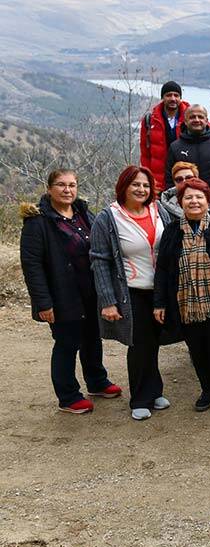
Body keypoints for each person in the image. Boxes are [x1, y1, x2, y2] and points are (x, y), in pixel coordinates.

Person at [21, 169, 121, 414]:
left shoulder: (83, 213)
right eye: (61, 185)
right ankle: (68, 396)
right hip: (62, 295)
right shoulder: (38, 222)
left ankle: (97, 381)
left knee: (92, 338)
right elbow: (32, 266)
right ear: (49, 189)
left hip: (90, 291)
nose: (68, 190)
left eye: (72, 185)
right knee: (67, 343)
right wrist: (44, 303)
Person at [90, 166, 175, 420]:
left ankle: (154, 389)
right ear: (124, 186)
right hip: (131, 291)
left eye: (146, 185)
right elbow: (99, 260)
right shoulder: (108, 217)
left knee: (154, 342)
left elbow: (170, 245)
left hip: (159, 290)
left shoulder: (159, 210)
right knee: (139, 345)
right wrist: (107, 300)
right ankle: (140, 398)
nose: (141, 189)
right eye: (135, 184)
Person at [153, 178, 210, 411]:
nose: (194, 201)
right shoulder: (173, 231)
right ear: (181, 202)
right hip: (185, 302)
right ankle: (207, 390)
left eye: (199, 197)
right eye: (188, 197)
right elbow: (163, 269)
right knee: (196, 349)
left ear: (207, 200)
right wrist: (160, 303)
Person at [166, 104, 210, 192]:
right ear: (185, 121)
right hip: (186, 198)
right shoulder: (175, 147)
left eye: (200, 117)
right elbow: (169, 178)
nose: (196, 120)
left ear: (206, 120)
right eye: (192, 117)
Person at [139, 81, 189, 191]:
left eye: (176, 95)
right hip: (158, 179)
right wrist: (149, 178)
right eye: (168, 95)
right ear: (163, 97)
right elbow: (145, 154)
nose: (173, 98)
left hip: (185, 177)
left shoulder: (190, 117)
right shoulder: (150, 120)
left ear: (180, 98)